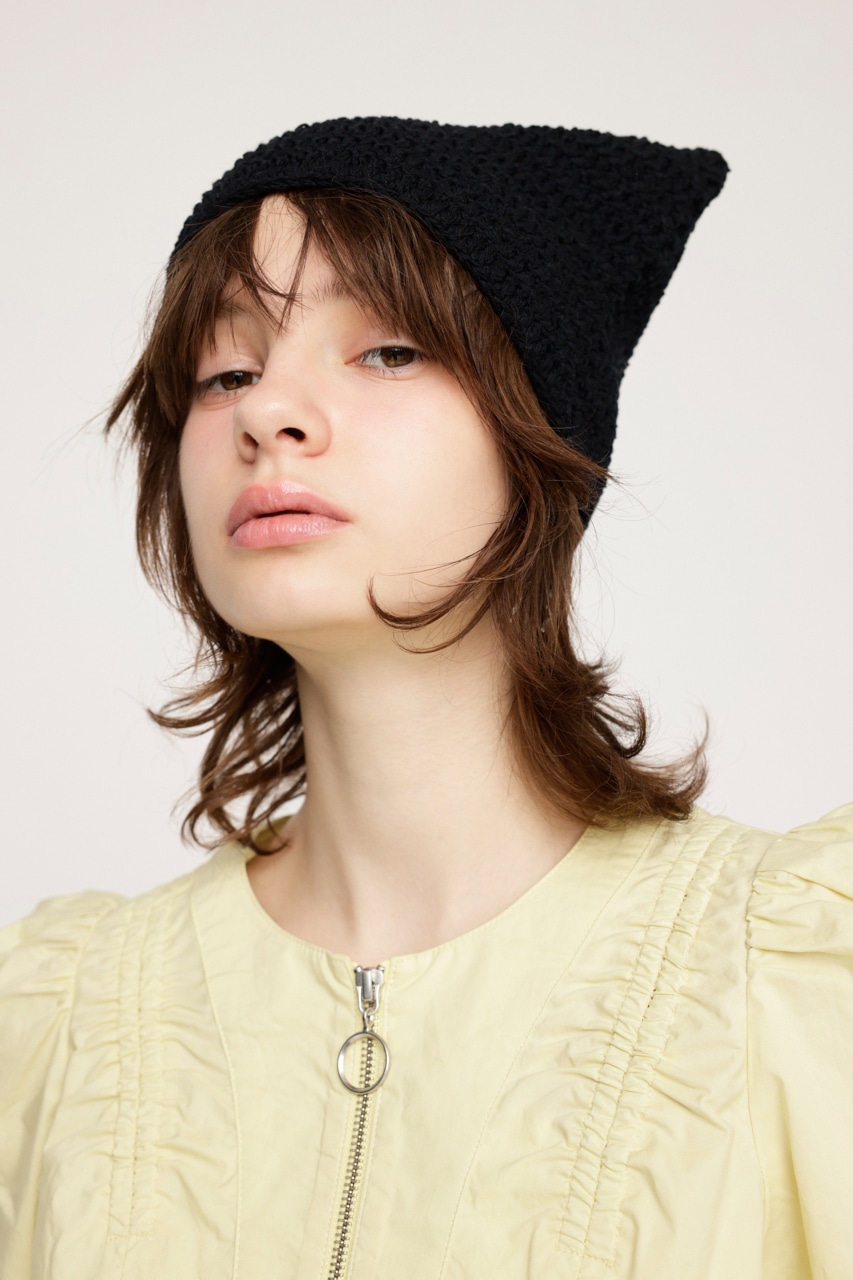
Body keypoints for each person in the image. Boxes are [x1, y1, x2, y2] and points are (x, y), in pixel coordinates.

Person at [0, 117, 850, 1280]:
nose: (266, 413)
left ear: (536, 434)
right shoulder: (51, 1028)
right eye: (225, 370)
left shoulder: (794, 978)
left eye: (388, 351)